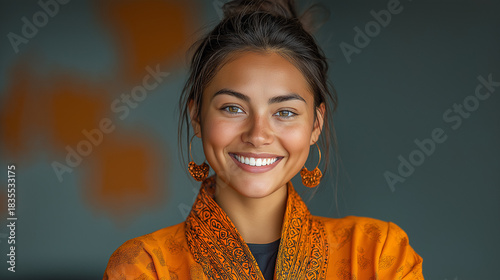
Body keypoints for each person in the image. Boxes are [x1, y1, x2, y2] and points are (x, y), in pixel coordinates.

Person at [103, 0, 424, 279]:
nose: (258, 135)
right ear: (197, 118)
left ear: (316, 124)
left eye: (284, 112)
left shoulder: (377, 254)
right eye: (233, 108)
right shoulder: (144, 266)